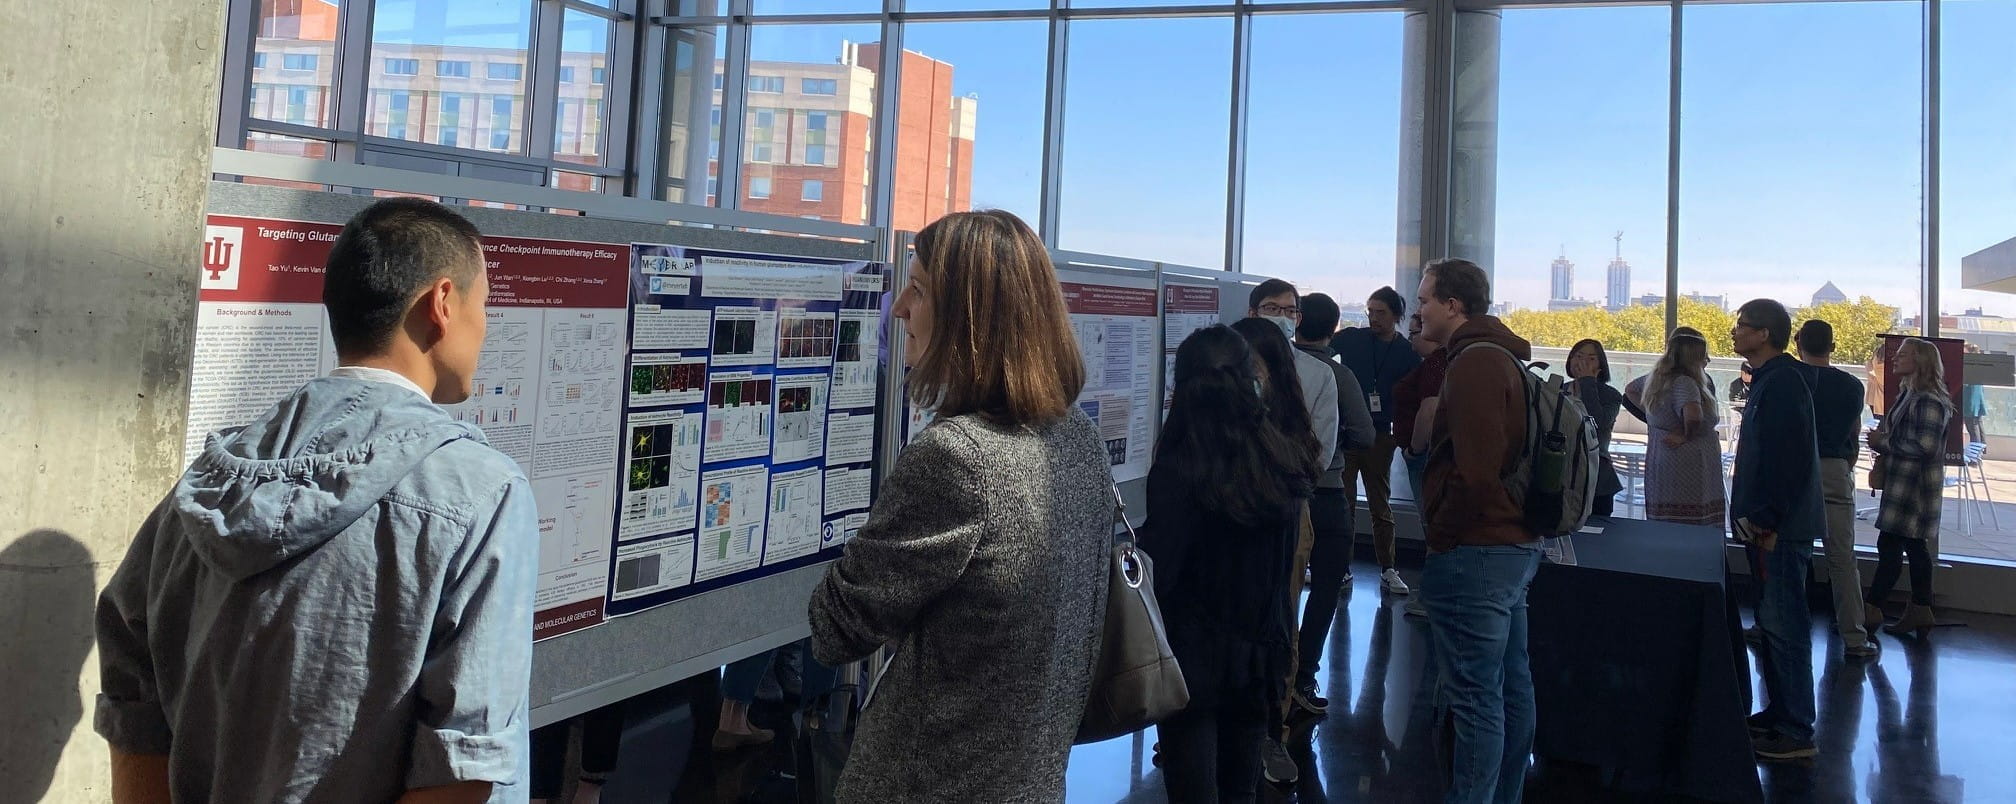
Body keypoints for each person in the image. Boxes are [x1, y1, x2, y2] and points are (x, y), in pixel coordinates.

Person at [95, 198, 537, 803]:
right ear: (441, 303)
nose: (485, 326)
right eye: (483, 304)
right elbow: (463, 768)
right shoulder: (482, 492)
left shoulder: (204, 487)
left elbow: (132, 697)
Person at [806, 210, 1111, 803]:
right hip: (1028, 782)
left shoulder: (956, 458)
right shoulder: (1077, 437)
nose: (899, 308)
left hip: (930, 784)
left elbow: (836, 630)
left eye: (918, 290)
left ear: (970, 319)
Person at [1147, 325, 1316, 804]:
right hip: (1259, 655)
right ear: (1250, 381)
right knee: (1241, 787)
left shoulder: (1180, 469)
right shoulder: (1281, 458)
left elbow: (1164, 573)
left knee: (1193, 789)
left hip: (1191, 660)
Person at [1414, 258, 1542, 804]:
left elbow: (1476, 472)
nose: (1418, 310)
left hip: (1477, 550)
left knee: (1474, 698)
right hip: (1509, 545)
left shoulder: (1475, 365)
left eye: (1424, 300)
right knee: (1509, 685)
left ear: (1453, 305)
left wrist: (1442, 533)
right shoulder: (1500, 357)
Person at [1728, 298, 1825, 762]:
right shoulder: (1772, 379)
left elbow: (1788, 458)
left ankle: (1795, 728)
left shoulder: (1782, 383)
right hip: (1771, 524)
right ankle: (1781, 712)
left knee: (1785, 623)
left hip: (1778, 528)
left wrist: (1767, 516)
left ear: (1764, 333)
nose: (1735, 331)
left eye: (1742, 325)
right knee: (1773, 621)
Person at [1229, 315, 1323, 785]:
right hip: (1231, 532)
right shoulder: (1217, 409)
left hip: (1284, 527)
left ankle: (1273, 731)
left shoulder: (1291, 418)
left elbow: (1311, 464)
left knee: (1280, 624)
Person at [1288, 293, 1375, 718]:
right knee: (1325, 587)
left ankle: (1274, 676)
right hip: (1325, 492)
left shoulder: (1275, 367)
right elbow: (1366, 434)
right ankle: (1304, 675)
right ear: (1334, 329)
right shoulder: (1338, 376)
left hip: (1282, 494)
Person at [1793, 320, 1877, 660]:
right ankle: (1854, 636)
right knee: (1842, 558)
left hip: (1795, 470)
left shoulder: (1791, 380)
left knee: (1790, 554)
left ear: (1798, 344)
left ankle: (1781, 626)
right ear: (1832, 347)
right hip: (1834, 469)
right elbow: (1853, 433)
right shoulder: (1851, 386)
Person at [1331, 286, 1422, 596]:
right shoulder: (1352, 339)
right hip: (1346, 432)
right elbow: (1320, 349)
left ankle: (1388, 567)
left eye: (1380, 313)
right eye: (1370, 312)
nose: (1373, 318)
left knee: (1379, 503)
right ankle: (1342, 566)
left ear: (1396, 316)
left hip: (1381, 434)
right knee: (1344, 502)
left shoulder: (1406, 352)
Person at [1864, 337, 1954, 640]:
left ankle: (1873, 608)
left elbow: (1925, 446)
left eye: (1902, 355)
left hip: (1913, 488)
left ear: (1920, 361)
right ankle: (1919, 609)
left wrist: (1883, 442)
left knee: (1893, 545)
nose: (1895, 359)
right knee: (1912, 547)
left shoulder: (1927, 400)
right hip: (1906, 485)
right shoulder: (1911, 394)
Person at [1390, 313, 1448, 622]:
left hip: (1425, 456)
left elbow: (1429, 410)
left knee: (1433, 527)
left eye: (1415, 332)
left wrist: (1414, 449)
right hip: (1430, 455)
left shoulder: (1436, 366)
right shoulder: (1435, 365)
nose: (1411, 339)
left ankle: (1432, 597)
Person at [1637, 331, 1726, 526]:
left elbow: (1630, 391)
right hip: (1689, 462)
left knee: (1666, 522)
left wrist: (1657, 421)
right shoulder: (1686, 382)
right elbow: (1693, 416)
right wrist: (1686, 434)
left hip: (1663, 457)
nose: (1707, 360)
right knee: (1692, 525)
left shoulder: (1659, 378)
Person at [1566, 339, 1628, 518]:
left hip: (1598, 476)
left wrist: (1587, 383)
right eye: (1579, 356)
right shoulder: (1558, 390)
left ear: (1601, 365)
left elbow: (1596, 423)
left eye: (1591, 358)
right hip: (1563, 473)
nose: (1583, 362)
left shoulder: (1611, 396)